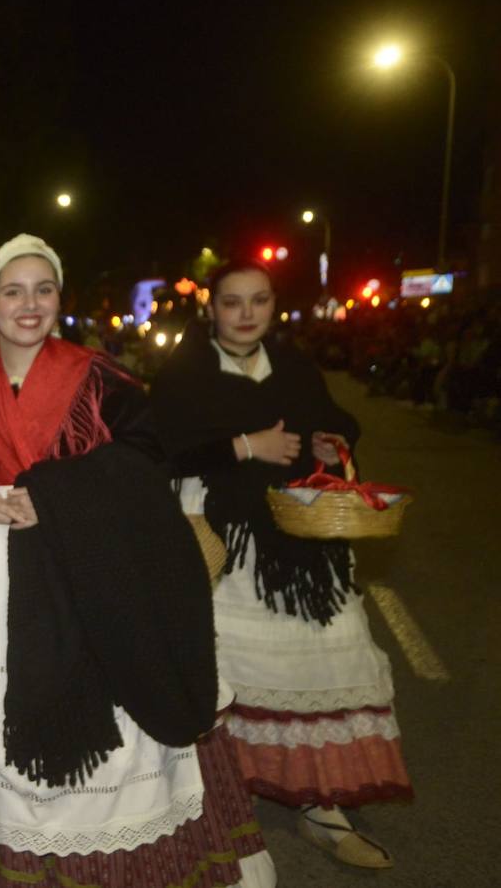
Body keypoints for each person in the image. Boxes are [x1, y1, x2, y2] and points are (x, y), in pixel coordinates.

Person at [0, 235, 271, 888]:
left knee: (113, 723)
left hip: (90, 559)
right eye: (13, 291)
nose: (28, 305)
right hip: (2, 567)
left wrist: (56, 497)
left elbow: (148, 457)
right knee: (10, 715)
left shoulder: (98, 373)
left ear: (59, 299)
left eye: (43, 290)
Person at [151, 260, 411, 870]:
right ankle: (219, 798)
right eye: (233, 302)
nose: (246, 314)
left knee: (327, 654)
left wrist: (328, 443)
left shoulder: (293, 365)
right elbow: (160, 446)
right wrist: (245, 446)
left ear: (273, 306)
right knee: (227, 669)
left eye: (258, 301)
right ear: (211, 309)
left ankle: (320, 802)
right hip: (224, 542)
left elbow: (334, 420)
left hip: (299, 544)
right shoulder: (185, 373)